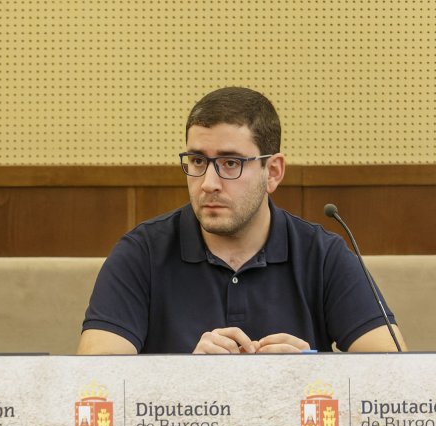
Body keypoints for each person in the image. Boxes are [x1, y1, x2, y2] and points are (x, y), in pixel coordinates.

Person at [79, 87, 405, 355]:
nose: (208, 183)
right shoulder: (141, 253)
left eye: (230, 163)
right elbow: (95, 380)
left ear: (272, 172)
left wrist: (309, 371)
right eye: (197, 161)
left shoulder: (322, 254)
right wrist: (185, 376)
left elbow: (393, 373)